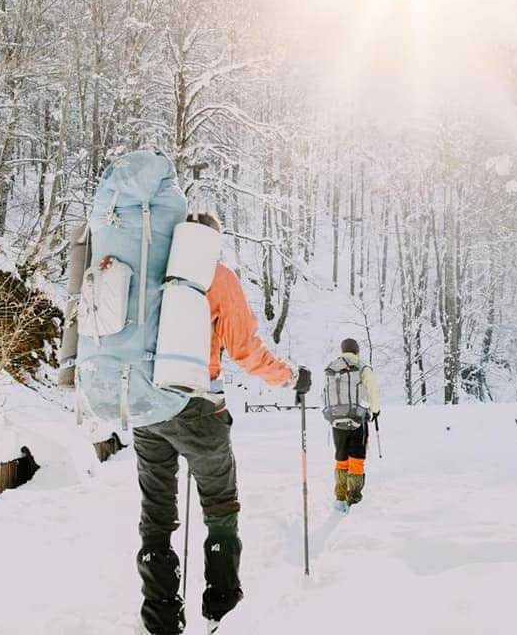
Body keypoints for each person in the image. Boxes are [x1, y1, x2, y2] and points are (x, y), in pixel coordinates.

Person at [133, 212, 311, 635]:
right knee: (220, 507)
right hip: (198, 409)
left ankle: (159, 618)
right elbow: (246, 350)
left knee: (155, 515)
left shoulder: (147, 266)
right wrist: (289, 377)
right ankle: (222, 612)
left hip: (145, 407)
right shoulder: (216, 276)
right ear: (211, 241)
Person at [324, 338, 380, 512]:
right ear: (357, 351)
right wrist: (375, 410)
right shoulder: (362, 367)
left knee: (341, 459)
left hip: (336, 421)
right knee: (356, 459)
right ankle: (353, 499)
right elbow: (373, 389)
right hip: (357, 420)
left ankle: (339, 498)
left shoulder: (332, 368)